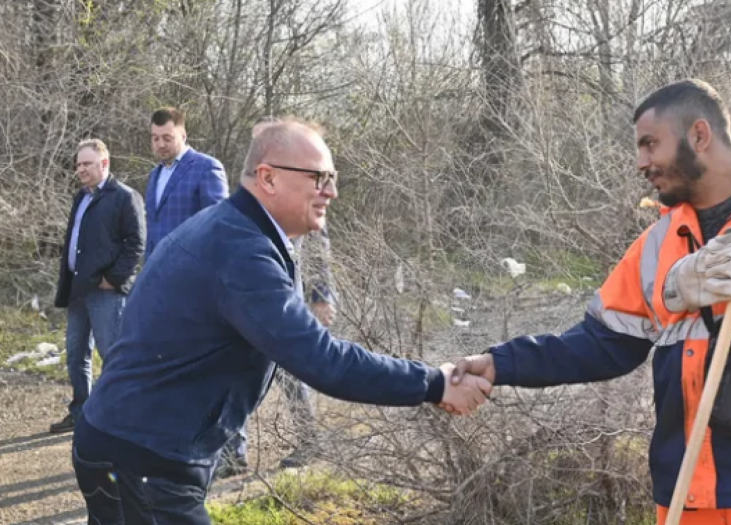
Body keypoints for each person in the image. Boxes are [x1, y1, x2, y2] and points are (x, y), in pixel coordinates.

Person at [445, 79, 731, 525]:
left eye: (650, 144)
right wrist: (500, 363)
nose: (640, 162)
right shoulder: (658, 243)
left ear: (699, 135)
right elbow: (599, 344)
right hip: (689, 500)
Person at [71, 118, 491, 524]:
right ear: (268, 178)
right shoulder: (241, 251)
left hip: (129, 445)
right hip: (143, 459)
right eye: (319, 178)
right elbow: (323, 361)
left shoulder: (236, 230)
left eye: (332, 178)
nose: (332, 191)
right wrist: (434, 383)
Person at [215, 118, 342, 477]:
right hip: (249, 296)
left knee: (291, 372)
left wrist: (321, 295)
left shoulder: (297, 192)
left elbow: (318, 246)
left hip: (286, 296)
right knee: (237, 368)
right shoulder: (250, 189)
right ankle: (233, 452)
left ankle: (309, 439)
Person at [49, 139, 145, 434]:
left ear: (104, 163)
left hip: (106, 292)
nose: (80, 169)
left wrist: (112, 279)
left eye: (87, 164)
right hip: (78, 290)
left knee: (113, 355)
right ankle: (82, 413)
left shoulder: (125, 197)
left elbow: (136, 243)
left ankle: (123, 417)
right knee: (76, 354)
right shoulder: (81, 196)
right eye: (78, 164)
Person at [144, 107, 228, 260]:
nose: (160, 145)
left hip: (191, 267)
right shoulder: (155, 174)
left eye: (167, 138)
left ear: (183, 135)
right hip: (155, 268)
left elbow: (218, 225)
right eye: (155, 139)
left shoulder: (206, 167)